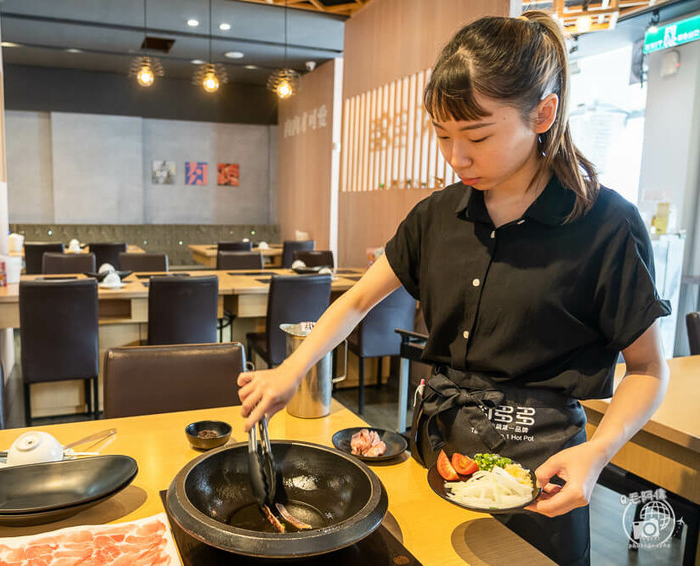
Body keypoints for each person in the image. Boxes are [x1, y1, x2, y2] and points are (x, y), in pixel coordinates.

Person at [237, 10, 670, 566]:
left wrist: (598, 452)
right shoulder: (437, 215)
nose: (456, 156)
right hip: (435, 457)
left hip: (542, 481)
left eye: (477, 135)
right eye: (442, 135)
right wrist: (288, 371)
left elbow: (649, 369)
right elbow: (357, 299)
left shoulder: (605, 224)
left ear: (543, 113)